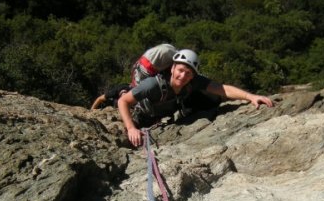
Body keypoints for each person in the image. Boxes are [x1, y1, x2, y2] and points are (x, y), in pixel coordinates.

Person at [118, 49, 275, 147]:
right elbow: (123, 101)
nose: (183, 76)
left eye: (188, 73)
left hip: (162, 115)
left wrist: (250, 96)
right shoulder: (153, 85)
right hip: (144, 115)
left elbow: (222, 89)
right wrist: (131, 128)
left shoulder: (193, 81)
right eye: (180, 70)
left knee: (210, 99)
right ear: (172, 68)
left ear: (193, 75)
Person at [91, 44, 178, 110]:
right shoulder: (130, 94)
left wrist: (92, 111)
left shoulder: (118, 89)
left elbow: (99, 99)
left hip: (144, 67)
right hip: (144, 64)